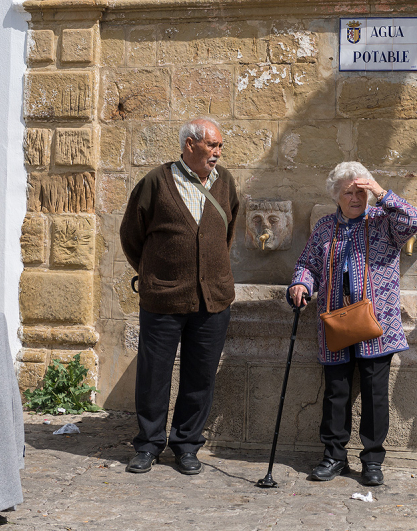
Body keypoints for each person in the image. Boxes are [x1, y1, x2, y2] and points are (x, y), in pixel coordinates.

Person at [288, 161, 417, 486]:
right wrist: (301, 284)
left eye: (361, 191)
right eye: (349, 192)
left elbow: (413, 220)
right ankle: (334, 456)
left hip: (377, 325)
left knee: (375, 395)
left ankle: (372, 461)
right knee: (336, 393)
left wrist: (380, 192)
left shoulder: (383, 222)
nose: (356, 198)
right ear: (337, 195)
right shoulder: (323, 228)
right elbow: (307, 263)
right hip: (336, 324)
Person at [120, 118, 240, 475]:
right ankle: (149, 444)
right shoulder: (156, 182)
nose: (217, 153)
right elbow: (132, 235)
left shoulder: (226, 182)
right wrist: (158, 273)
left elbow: (226, 233)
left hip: (212, 299)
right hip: (164, 298)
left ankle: (186, 446)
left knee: (199, 376)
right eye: (212, 145)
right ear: (190, 145)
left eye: (220, 146)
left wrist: (208, 268)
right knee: (153, 374)